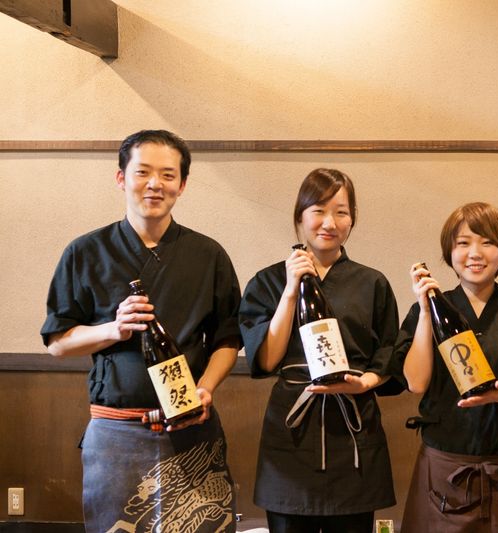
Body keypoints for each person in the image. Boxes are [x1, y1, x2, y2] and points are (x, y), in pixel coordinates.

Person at [41, 130, 242, 533]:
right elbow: (57, 343)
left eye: (168, 175)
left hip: (191, 429)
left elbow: (228, 338)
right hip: (116, 431)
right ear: (121, 178)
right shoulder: (85, 251)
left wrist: (206, 388)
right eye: (143, 172)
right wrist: (113, 329)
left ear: (182, 185)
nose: (155, 184)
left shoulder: (208, 254)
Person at [238, 168, 399, 533]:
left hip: (354, 425)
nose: (330, 222)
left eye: (341, 212)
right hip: (291, 430)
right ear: (300, 216)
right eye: (319, 211)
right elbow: (266, 359)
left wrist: (365, 382)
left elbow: (389, 350)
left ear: (352, 219)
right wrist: (290, 290)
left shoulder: (372, 282)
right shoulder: (267, 281)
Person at [394, 202, 498, 533]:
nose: (475, 253)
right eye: (463, 243)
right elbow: (416, 383)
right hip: (444, 471)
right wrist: (425, 311)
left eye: (487, 242)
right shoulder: (425, 311)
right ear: (450, 252)